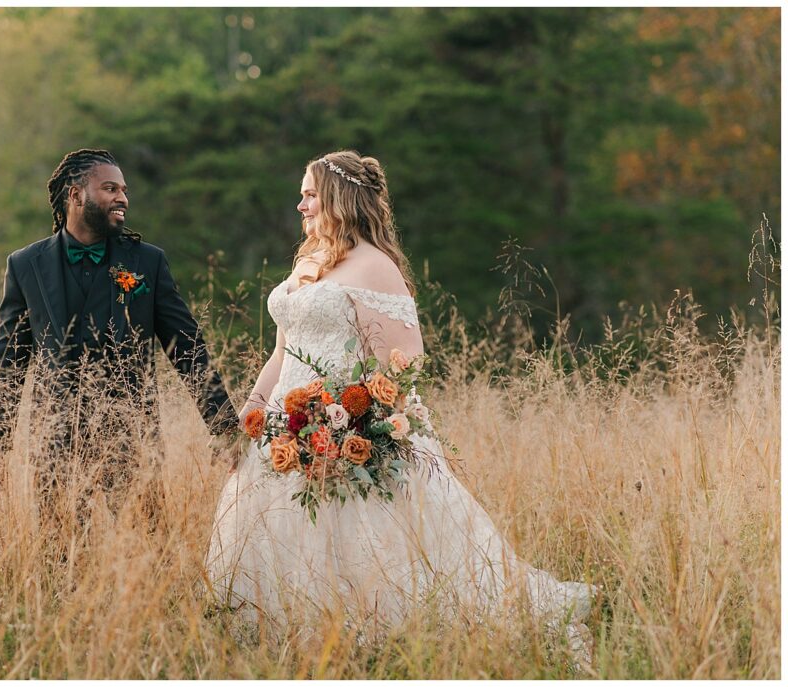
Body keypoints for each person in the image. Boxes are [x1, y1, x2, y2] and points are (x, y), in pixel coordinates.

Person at [205, 150, 595, 657]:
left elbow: (406, 356)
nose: (300, 204)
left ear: (339, 197)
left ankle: (371, 633)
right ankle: (290, 637)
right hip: (286, 428)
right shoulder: (307, 260)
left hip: (347, 428)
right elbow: (281, 350)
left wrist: (349, 419)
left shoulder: (374, 266)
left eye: (309, 194)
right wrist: (253, 411)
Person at [0, 148, 239, 531]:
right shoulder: (25, 266)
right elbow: (7, 366)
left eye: (124, 190)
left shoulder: (146, 262)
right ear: (74, 195)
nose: (122, 198)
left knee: (149, 558)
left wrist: (225, 428)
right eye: (110, 188)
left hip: (133, 440)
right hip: (55, 446)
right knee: (60, 566)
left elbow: (186, 348)